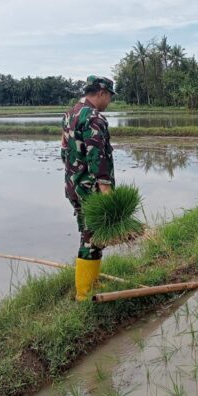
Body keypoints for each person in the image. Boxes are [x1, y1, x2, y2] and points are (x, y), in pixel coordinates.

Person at [61, 75, 116, 300]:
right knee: (92, 238)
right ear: (101, 93)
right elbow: (97, 158)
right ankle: (84, 293)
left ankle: (91, 282)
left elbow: (64, 150)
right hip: (90, 189)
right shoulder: (94, 118)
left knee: (89, 233)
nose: (109, 101)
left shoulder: (71, 113)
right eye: (109, 96)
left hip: (73, 185)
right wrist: (107, 193)